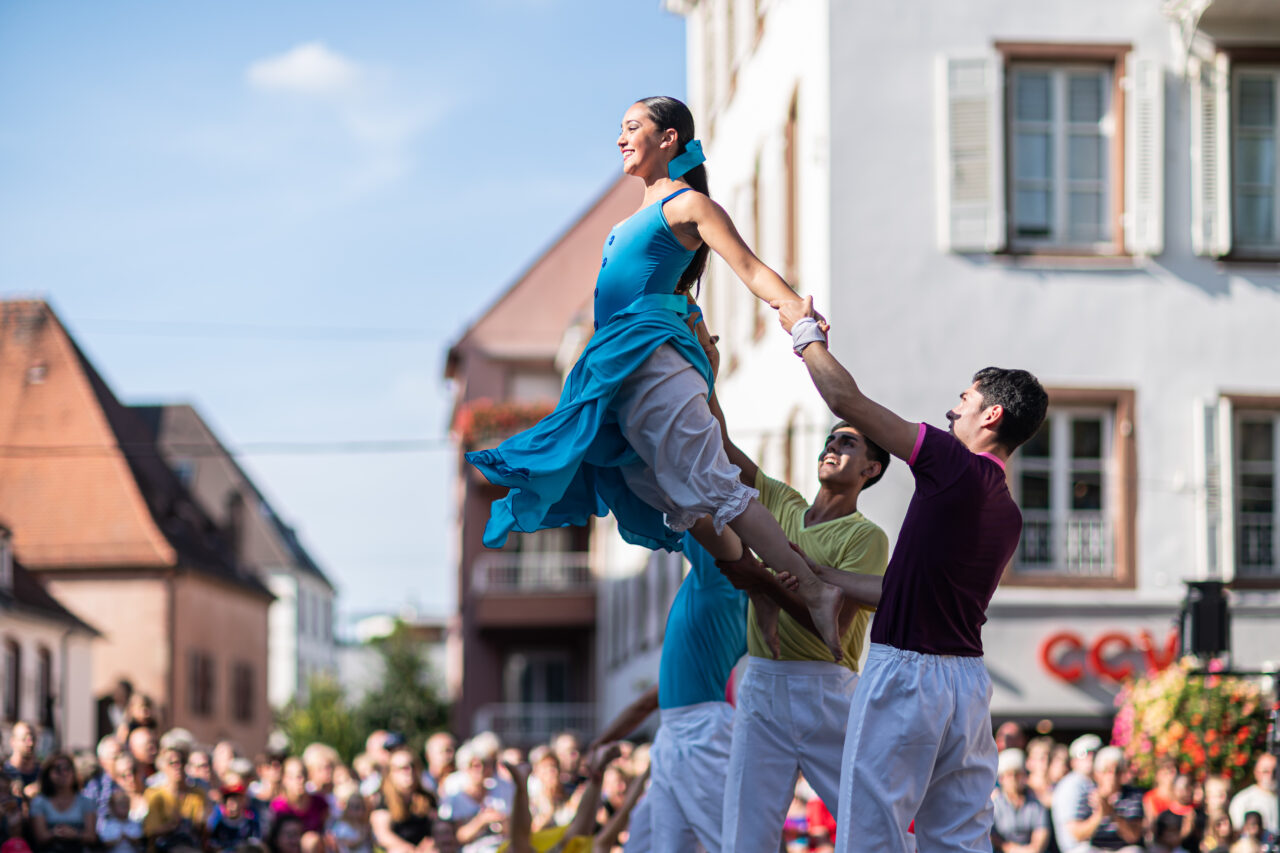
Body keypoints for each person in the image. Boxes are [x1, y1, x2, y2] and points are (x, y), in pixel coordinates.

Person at [464, 95, 847, 661]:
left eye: (632, 127)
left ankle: (816, 589)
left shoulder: (688, 205)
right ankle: (764, 587)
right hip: (618, 366)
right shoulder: (626, 224)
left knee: (708, 483)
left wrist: (797, 315)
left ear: (669, 139)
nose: (621, 139)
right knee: (671, 494)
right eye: (620, 129)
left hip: (650, 359)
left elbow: (749, 267)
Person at [773, 298, 1049, 853]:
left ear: (991, 415)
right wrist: (823, 573)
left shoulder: (953, 464)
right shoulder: (1009, 512)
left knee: (870, 833)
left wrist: (805, 334)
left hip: (907, 674)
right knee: (958, 839)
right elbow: (908, 591)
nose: (952, 412)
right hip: (968, 687)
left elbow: (845, 400)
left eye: (963, 400)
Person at [711, 406, 890, 852]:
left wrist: (764, 584)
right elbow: (722, 446)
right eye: (831, 439)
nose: (833, 446)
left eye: (848, 442)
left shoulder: (866, 537)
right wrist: (704, 369)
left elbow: (831, 630)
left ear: (872, 469)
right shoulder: (782, 502)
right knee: (744, 834)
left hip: (824, 689)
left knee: (866, 819)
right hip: (763, 683)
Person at [585, 526, 750, 853]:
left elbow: (692, 509)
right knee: (652, 845)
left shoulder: (720, 575)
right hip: (679, 733)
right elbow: (646, 703)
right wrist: (601, 742)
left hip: (701, 732)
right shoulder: (726, 590)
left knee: (732, 844)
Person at [1065, 746, 1144, 852]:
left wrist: (1112, 814)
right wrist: (1099, 814)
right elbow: (1078, 835)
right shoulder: (1088, 795)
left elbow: (1133, 836)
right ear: (1097, 773)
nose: (1112, 776)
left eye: (1117, 771)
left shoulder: (1133, 796)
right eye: (1107, 771)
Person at [369, 745, 437, 853]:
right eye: (402, 768)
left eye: (412, 766)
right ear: (391, 772)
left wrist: (428, 844)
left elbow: (437, 828)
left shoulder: (428, 798)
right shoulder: (383, 800)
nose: (408, 771)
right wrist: (411, 849)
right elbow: (383, 835)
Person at [142, 746, 209, 853]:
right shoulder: (154, 795)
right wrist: (175, 825)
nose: (178, 766)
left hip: (191, 845)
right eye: (172, 763)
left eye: (181, 762)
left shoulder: (197, 794)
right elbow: (151, 831)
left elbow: (202, 827)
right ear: (163, 767)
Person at [29, 754, 97, 853]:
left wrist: (75, 834)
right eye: (57, 769)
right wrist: (55, 833)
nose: (63, 773)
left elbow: (91, 837)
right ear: (48, 774)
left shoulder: (86, 801)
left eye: (67, 768)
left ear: (74, 773)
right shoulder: (39, 802)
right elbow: (40, 837)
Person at [990, 749, 1049, 853]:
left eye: (1017, 774)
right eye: (1009, 774)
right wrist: (1010, 848)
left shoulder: (1036, 804)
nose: (1013, 779)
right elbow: (991, 836)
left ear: (1024, 776)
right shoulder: (993, 805)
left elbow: (1040, 838)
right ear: (1001, 779)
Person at [1231, 755, 1278, 837]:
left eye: (1275, 771)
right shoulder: (1243, 799)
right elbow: (1238, 831)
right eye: (1266, 771)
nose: (1271, 776)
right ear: (1256, 773)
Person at [208, 784, 261, 852]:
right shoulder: (219, 824)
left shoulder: (251, 825)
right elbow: (213, 845)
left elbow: (255, 846)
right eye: (231, 800)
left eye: (238, 799)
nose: (234, 803)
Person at [3, 722, 40, 799]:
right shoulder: (3, 772)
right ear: (13, 741)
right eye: (24, 739)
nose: (30, 743)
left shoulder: (44, 775)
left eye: (33, 738)